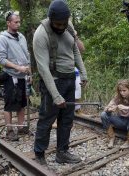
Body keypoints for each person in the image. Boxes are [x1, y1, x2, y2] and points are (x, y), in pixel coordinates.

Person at [33, 0, 88, 165]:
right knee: (47, 119)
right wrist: (56, 95)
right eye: (58, 24)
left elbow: (75, 50)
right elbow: (43, 70)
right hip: (53, 81)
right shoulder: (41, 35)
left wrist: (83, 73)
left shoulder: (68, 25)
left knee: (67, 119)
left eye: (64, 23)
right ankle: (39, 154)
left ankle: (62, 152)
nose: (62, 26)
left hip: (70, 79)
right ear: (50, 19)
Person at [0, 10, 31, 141]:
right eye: (16, 22)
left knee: (22, 103)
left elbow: (27, 56)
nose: (18, 24)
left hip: (23, 76)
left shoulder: (21, 37)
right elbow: (1, 59)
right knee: (9, 104)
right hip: (11, 76)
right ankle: (9, 130)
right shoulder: (2, 39)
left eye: (19, 21)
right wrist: (18, 68)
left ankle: (21, 127)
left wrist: (29, 72)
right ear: (8, 23)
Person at [101, 79, 129, 149]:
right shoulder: (117, 97)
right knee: (103, 114)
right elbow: (106, 108)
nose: (122, 93)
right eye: (120, 91)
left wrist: (127, 108)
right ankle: (111, 137)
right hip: (121, 121)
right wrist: (110, 109)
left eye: (124, 91)